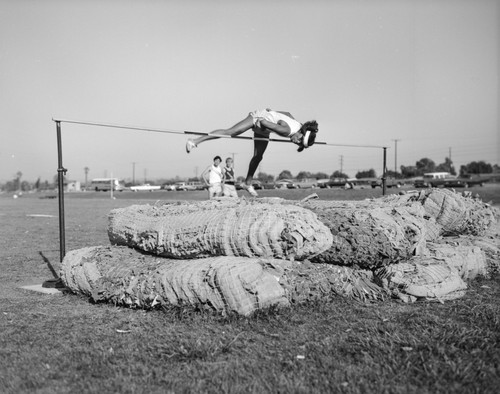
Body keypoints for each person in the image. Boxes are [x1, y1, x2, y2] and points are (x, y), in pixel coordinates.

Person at [186, 109, 318, 197]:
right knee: (230, 133)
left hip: (265, 128)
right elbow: (263, 122)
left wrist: (272, 112)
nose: (295, 143)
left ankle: (247, 183)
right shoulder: (286, 130)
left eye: (299, 144)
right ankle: (195, 141)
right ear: (301, 133)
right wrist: (268, 116)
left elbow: (288, 114)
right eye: (298, 141)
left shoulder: (298, 125)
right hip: (257, 119)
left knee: (258, 156)